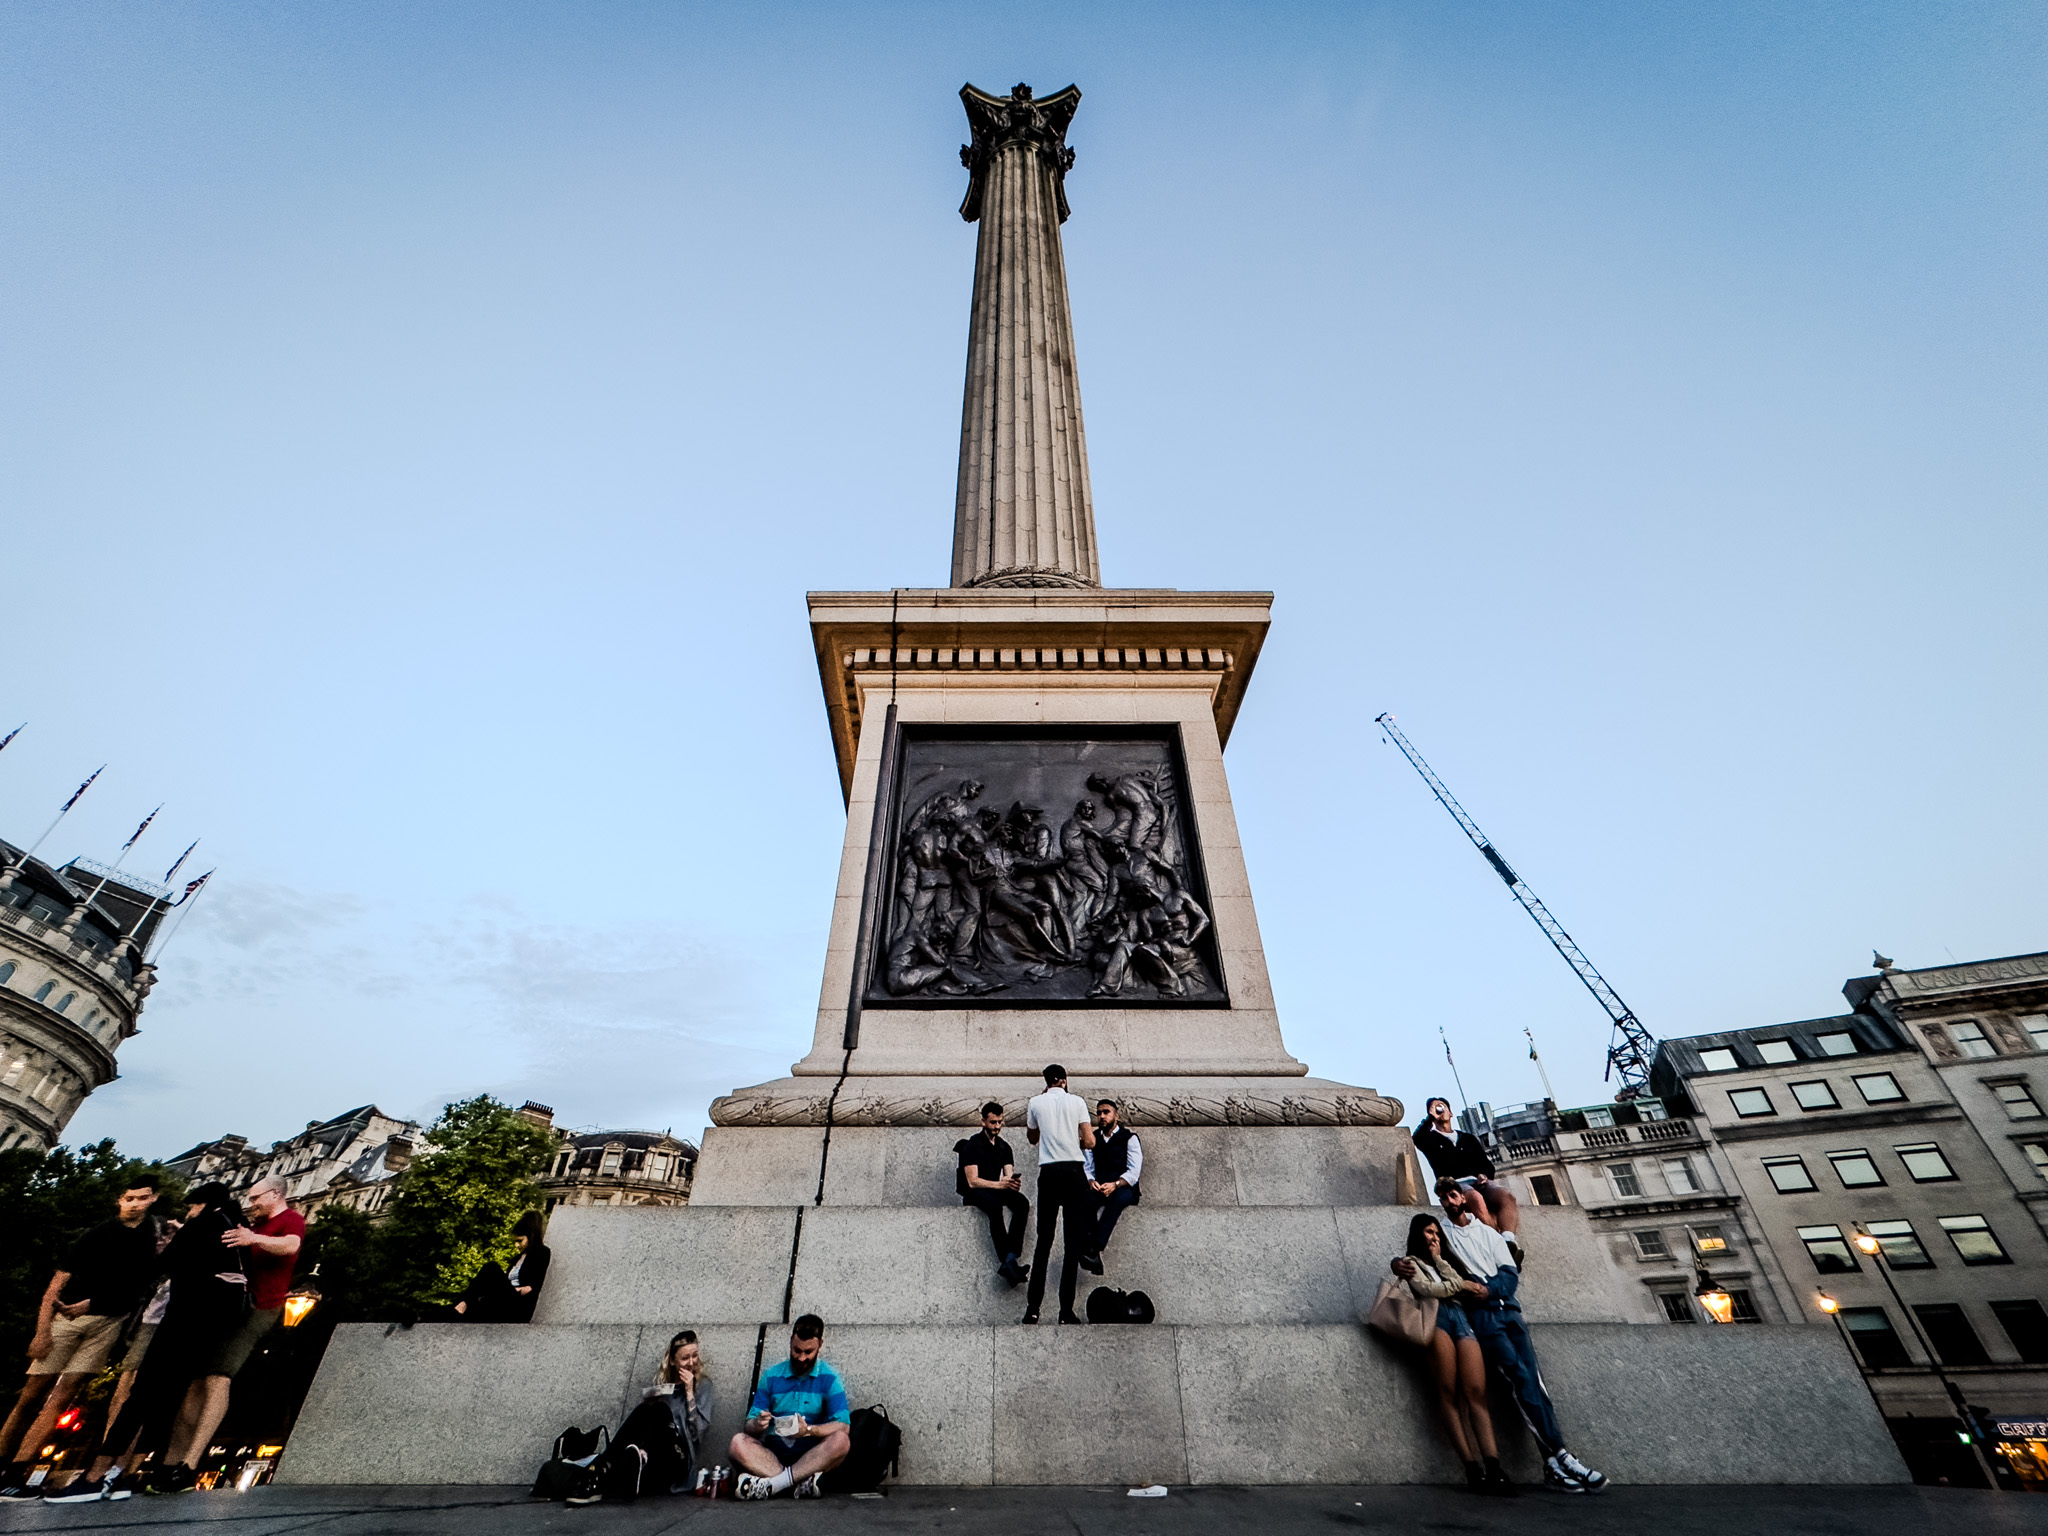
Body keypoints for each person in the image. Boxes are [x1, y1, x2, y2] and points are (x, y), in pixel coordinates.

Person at [1396, 1178, 1606, 1494]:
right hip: (1472, 1317)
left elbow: (1508, 1274)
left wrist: (1488, 1290)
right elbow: (1426, 1265)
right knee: (1513, 1380)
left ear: (1464, 1198)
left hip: (1502, 1312)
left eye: (1453, 1195)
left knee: (1530, 1383)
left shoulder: (1486, 1234)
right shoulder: (1444, 1233)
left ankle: (1550, 1459)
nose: (1449, 1202)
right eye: (1443, 1198)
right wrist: (1399, 1264)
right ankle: (1553, 1456)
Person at [72, 1183, 250, 1500]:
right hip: (214, 1324)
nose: (188, 1213)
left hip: (184, 1317)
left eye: (191, 1207)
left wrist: (95, 1301)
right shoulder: (237, 1228)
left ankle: (94, 1476)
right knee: (168, 1398)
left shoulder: (202, 1224)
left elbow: (155, 1269)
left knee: (141, 1393)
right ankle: (130, 1477)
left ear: (202, 1204)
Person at [0, 1177, 162, 1500]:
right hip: (68, 1319)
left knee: (63, 1397)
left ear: (153, 1199)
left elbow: (135, 1287)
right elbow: (55, 1285)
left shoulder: (150, 1237)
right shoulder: (98, 1233)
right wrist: (42, 1331)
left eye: (142, 1198)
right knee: (31, 1395)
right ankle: (5, 1461)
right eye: (129, 1198)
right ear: (120, 1200)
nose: (134, 1204)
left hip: (106, 1323)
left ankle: (18, 1470)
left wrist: (93, 1304)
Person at [157, 1174, 305, 1484]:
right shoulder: (252, 1225)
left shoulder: (290, 1219)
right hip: (229, 1308)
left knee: (218, 1376)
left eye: (256, 1198)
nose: (252, 1204)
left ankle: (189, 1463)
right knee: (196, 1381)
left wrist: (254, 1239)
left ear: (276, 1194)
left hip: (260, 1307)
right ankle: (172, 1461)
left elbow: (291, 1245)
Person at [1394, 1213, 1513, 1495]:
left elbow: (1456, 1282)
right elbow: (1427, 1289)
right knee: (1448, 1392)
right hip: (1436, 1318)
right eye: (1428, 1232)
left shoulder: (1444, 1260)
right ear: (1418, 1234)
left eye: (1436, 1232)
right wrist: (1459, 1286)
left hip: (1460, 1319)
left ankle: (1494, 1466)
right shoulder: (1411, 1262)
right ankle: (1471, 1467)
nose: (1434, 1237)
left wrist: (1440, 1261)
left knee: (1476, 1392)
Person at [730, 1315, 850, 1500]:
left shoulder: (830, 1377)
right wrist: (758, 1423)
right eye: (797, 1350)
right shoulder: (771, 1375)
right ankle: (798, 1483)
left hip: (811, 1458)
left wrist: (809, 1430)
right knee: (737, 1443)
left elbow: (843, 1425)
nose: (801, 1357)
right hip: (771, 1458)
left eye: (808, 1352)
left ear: (820, 1345)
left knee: (841, 1441)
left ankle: (772, 1485)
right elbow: (749, 1426)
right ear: (790, 1342)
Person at [590, 1330, 715, 1501]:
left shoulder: (704, 1385)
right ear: (672, 1361)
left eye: (695, 1356)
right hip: (655, 1454)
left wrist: (689, 1392)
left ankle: (608, 1467)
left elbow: (697, 1435)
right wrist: (650, 1403)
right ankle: (610, 1467)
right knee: (645, 1410)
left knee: (661, 1410)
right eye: (685, 1358)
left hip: (679, 1457)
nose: (691, 1362)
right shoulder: (664, 1386)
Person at [1022, 1063, 1095, 1324]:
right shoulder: (1077, 1102)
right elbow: (1090, 1141)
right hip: (1074, 1172)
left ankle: (1033, 1308)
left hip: (1049, 1173)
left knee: (1044, 1242)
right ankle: (1065, 1310)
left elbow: (1032, 1138)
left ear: (1046, 1082)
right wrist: (1072, 1138)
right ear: (1064, 1080)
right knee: (1072, 1244)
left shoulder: (1035, 1103)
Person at [1410, 1098, 1521, 1257]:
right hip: (1455, 1184)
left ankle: (1508, 1239)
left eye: (1442, 1106)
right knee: (1475, 1198)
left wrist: (1483, 1175)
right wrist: (1430, 1118)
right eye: (1435, 1108)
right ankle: (1497, 1242)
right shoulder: (1431, 1139)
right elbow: (1417, 1139)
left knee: (1507, 1196)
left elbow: (1486, 1164)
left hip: (1478, 1180)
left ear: (1450, 1112)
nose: (1440, 1110)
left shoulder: (1468, 1138)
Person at [955, 1103, 1030, 1286]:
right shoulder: (972, 1145)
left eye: (999, 1122)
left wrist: (1012, 1183)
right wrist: (999, 1184)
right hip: (975, 1192)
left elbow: (1008, 1174)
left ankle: (1011, 1258)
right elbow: (972, 1181)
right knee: (994, 1207)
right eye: (993, 1122)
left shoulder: (1004, 1147)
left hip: (995, 1189)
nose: (997, 1126)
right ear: (983, 1122)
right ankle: (1008, 1259)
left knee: (1022, 1203)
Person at [1078, 1098, 1141, 1275]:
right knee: (1087, 1200)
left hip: (1123, 1187)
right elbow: (1087, 1165)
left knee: (1118, 1199)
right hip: (1100, 1186)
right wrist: (1091, 1181)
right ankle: (1093, 1256)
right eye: (1099, 1113)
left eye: (1106, 1112)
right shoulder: (1093, 1138)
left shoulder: (1129, 1138)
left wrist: (1116, 1184)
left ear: (1116, 1115)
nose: (1102, 1116)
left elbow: (1134, 1171)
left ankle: (1094, 1248)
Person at [453, 1210, 551, 1322]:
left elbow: (531, 1288)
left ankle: (464, 1302)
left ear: (531, 1237)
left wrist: (509, 1290)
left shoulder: (541, 1253)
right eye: (515, 1241)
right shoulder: (517, 1259)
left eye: (520, 1241)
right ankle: (462, 1304)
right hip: (507, 1298)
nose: (516, 1245)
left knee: (491, 1268)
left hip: (519, 1305)